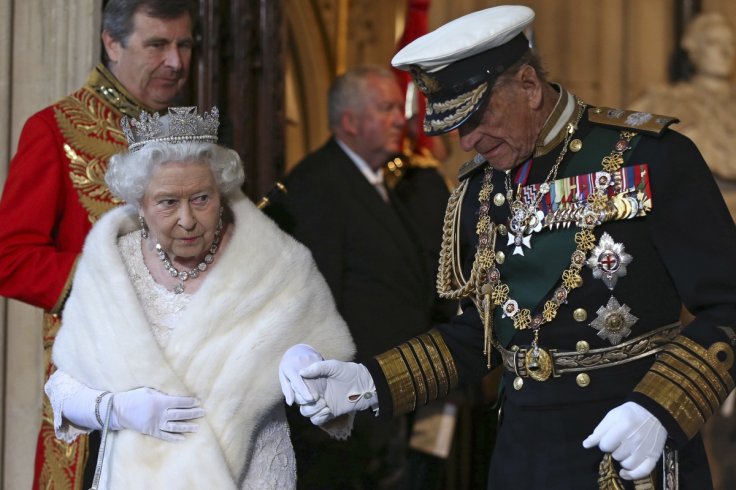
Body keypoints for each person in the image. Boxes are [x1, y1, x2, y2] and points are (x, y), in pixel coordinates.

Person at [279, 5, 736, 489]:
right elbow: (482, 334)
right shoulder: (482, 189)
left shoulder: (650, 156)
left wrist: (662, 410)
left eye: (478, 116)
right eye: (456, 126)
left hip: (631, 449)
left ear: (528, 85)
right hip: (524, 456)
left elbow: (728, 305)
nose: (469, 140)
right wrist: (370, 383)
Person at [44, 106, 355, 488]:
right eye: (168, 202)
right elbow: (63, 387)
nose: (188, 220)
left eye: (201, 198)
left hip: (248, 474)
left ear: (221, 193)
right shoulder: (114, 269)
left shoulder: (271, 261)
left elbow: (331, 374)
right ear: (140, 204)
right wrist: (119, 409)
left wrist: (305, 359)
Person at [0, 1, 195, 487]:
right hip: (95, 392)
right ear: (112, 43)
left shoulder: (196, 137)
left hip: (188, 387)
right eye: (157, 45)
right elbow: (10, 257)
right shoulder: (54, 129)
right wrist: (115, 281)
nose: (176, 61)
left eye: (184, 45)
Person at [267, 65, 454, 489]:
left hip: (391, 394)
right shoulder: (318, 185)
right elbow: (316, 301)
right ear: (350, 121)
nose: (399, 119)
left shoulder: (382, 183)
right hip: (348, 411)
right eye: (385, 108)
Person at [632, 12, 736, 219]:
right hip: (692, 214)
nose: (725, 51)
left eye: (731, 43)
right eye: (713, 43)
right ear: (693, 50)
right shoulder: (663, 102)